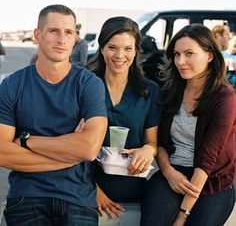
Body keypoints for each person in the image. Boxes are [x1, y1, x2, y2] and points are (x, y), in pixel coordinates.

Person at [0, 4, 107, 226]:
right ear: (37, 35)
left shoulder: (88, 84)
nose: (62, 39)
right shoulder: (12, 85)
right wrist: (70, 154)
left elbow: (88, 148)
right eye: (53, 31)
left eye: (69, 32)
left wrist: (27, 141)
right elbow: (2, 153)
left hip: (78, 198)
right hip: (26, 197)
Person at [141, 24, 236, 226]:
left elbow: (208, 159)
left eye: (189, 53)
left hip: (212, 180)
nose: (180, 61)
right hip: (173, 171)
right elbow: (159, 142)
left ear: (209, 56)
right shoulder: (170, 90)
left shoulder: (224, 98)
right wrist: (168, 172)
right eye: (176, 54)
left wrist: (183, 215)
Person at [88, 16, 163, 225]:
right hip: (88, 190)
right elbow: (71, 145)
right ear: (101, 48)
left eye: (128, 48)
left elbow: (152, 142)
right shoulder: (85, 86)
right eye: (112, 47)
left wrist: (148, 150)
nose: (120, 55)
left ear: (136, 51)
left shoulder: (149, 92)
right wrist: (90, 189)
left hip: (134, 189)